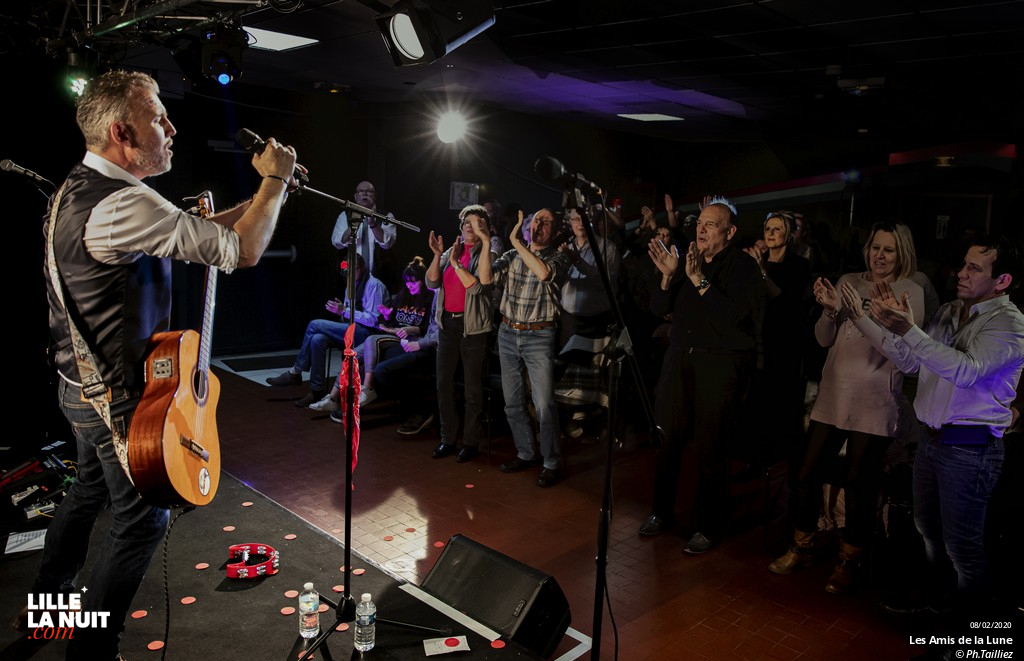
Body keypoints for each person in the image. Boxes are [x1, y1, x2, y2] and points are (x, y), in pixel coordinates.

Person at [30, 70, 296, 661]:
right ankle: (91, 651)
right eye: (158, 119)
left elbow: (191, 234)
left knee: (85, 495)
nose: (172, 129)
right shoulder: (124, 201)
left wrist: (261, 201)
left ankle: (46, 613)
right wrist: (273, 182)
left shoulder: (78, 188)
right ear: (123, 131)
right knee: (142, 519)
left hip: (78, 387)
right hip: (117, 400)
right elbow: (243, 251)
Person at [868, 237, 1024, 628]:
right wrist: (890, 325)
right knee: (929, 533)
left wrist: (911, 331)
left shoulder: (1010, 323)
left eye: (975, 269)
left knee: (963, 549)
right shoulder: (952, 310)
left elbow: (967, 370)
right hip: (931, 443)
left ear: (1002, 280)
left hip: (970, 451)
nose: (961, 273)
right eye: (964, 264)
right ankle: (940, 603)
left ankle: (971, 636)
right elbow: (911, 363)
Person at [769, 222, 925, 595]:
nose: (880, 256)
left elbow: (905, 358)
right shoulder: (848, 281)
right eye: (875, 247)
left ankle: (848, 559)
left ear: (901, 253)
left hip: (875, 400)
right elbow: (823, 339)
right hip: (833, 393)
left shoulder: (911, 291)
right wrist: (829, 311)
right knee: (805, 473)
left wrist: (864, 316)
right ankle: (802, 544)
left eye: (888, 249)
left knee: (859, 483)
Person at [638, 195, 764, 554]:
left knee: (711, 447)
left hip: (720, 363)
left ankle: (707, 525)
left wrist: (697, 280)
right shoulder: (685, 261)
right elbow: (659, 310)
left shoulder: (743, 267)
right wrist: (667, 278)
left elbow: (731, 319)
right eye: (700, 223)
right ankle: (660, 512)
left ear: (730, 231)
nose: (701, 228)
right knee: (666, 439)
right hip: (679, 358)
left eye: (711, 223)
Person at [492, 208, 570, 486]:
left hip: (539, 336)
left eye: (545, 222)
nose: (538, 225)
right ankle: (526, 453)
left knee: (544, 404)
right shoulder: (512, 255)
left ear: (555, 230)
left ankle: (551, 461)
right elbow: (487, 279)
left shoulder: (559, 256)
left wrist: (515, 243)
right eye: (535, 220)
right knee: (512, 403)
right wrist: (484, 238)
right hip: (507, 332)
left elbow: (545, 273)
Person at [308, 257, 432, 411]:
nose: (409, 285)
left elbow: (431, 327)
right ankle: (332, 397)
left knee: (369, 339)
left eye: (414, 282)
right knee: (351, 356)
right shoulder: (403, 296)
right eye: (407, 282)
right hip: (391, 335)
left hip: (408, 339)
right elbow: (387, 322)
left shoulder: (430, 299)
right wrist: (386, 315)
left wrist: (413, 330)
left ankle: (368, 387)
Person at [266, 253, 388, 406]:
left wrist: (344, 311)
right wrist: (342, 310)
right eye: (345, 271)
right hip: (353, 330)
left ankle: (296, 372)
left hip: (369, 335)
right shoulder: (351, 285)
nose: (348, 274)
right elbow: (349, 315)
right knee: (317, 339)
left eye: (351, 270)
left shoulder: (373, 285)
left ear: (361, 268)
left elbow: (373, 320)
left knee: (314, 324)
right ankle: (317, 391)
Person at [741, 211, 812, 473]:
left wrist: (760, 271)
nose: (770, 233)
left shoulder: (798, 265)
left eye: (776, 229)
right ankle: (756, 459)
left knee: (780, 401)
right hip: (757, 340)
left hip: (783, 343)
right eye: (767, 228)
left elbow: (783, 301)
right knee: (757, 402)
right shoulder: (758, 262)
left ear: (789, 234)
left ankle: (783, 458)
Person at [426, 205, 495, 463]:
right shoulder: (451, 252)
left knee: (472, 391)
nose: (469, 226)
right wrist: (438, 256)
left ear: (485, 228)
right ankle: (447, 439)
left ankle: (471, 442)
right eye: (466, 221)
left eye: (476, 222)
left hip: (472, 329)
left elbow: (477, 288)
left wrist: (455, 264)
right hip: (447, 326)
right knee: (443, 385)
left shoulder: (488, 252)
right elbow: (431, 282)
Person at [331, 180, 396, 286]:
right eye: (361, 191)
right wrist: (352, 226)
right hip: (351, 279)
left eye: (369, 191)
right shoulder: (345, 215)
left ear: (375, 196)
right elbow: (337, 243)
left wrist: (373, 224)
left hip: (378, 280)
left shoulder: (386, 216)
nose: (365, 193)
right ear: (356, 197)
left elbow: (388, 243)